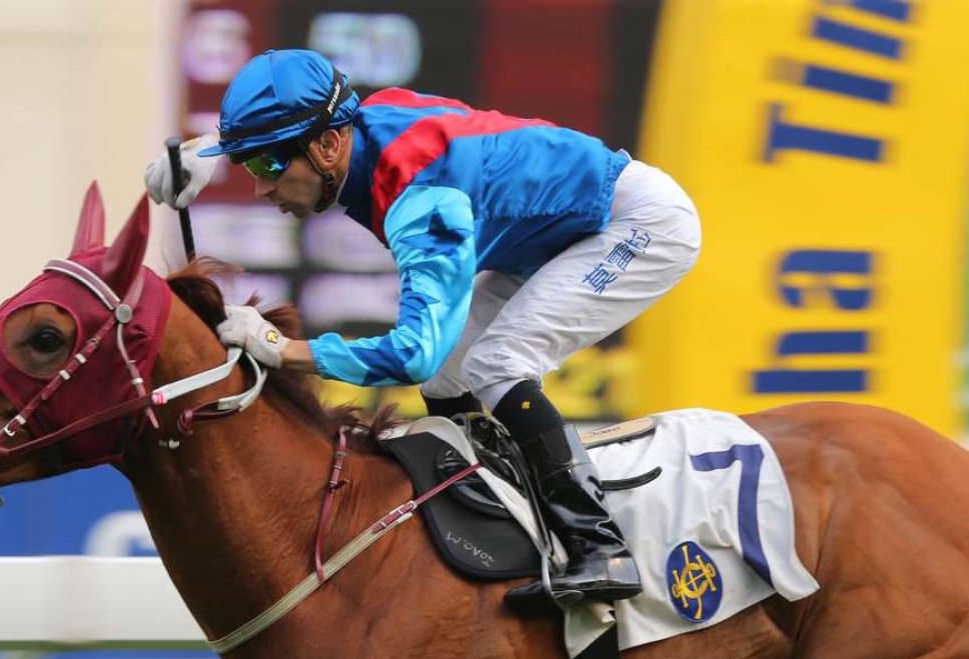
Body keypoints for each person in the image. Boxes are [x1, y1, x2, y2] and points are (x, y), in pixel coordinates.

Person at [145, 49, 701, 615]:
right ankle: (494, 529)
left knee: (494, 364)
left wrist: (278, 347)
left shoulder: (421, 202)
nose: (263, 190)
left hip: (635, 225)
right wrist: (205, 150)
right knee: (449, 376)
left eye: (266, 167)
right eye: (250, 167)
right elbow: (302, 107)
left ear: (328, 147)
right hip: (554, 234)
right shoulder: (356, 124)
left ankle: (597, 545)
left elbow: (412, 353)